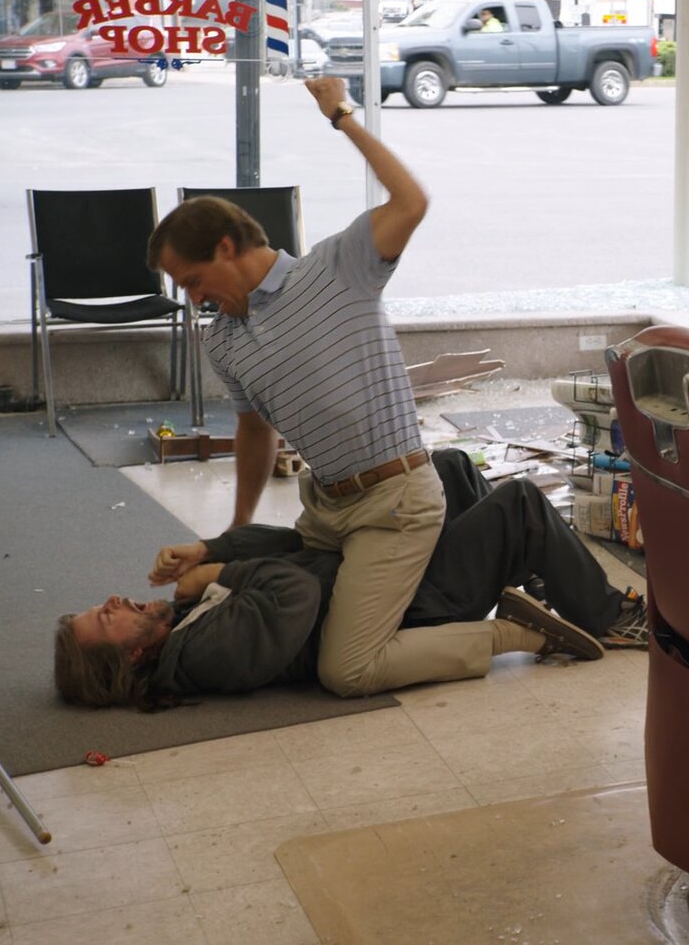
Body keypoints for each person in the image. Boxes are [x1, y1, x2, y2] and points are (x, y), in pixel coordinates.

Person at [147, 77, 466, 699]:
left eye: (192, 280)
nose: (193, 297)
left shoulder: (337, 267)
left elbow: (411, 201)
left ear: (225, 247)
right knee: (299, 619)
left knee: (345, 671)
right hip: (326, 512)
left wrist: (341, 115)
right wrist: (230, 539)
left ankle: (513, 635)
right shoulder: (222, 340)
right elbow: (253, 430)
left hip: (395, 500)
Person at [53, 450, 649, 710]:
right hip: (407, 602)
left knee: (448, 467)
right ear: (130, 658)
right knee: (519, 503)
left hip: (382, 575)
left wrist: (210, 549)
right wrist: (222, 570)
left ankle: (535, 575)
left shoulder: (185, 627)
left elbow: (291, 545)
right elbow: (297, 592)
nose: (114, 601)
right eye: (107, 617)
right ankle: (608, 617)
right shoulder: (205, 654)